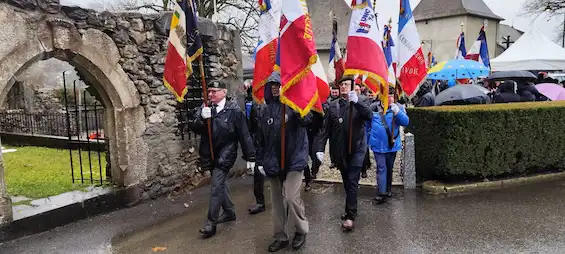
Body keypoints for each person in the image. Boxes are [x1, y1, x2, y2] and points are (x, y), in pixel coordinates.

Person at [189, 80, 256, 238]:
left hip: (226, 152)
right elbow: (194, 127)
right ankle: (229, 211)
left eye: (214, 91)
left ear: (224, 92)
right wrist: (201, 119)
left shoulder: (234, 111)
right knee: (220, 185)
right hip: (210, 152)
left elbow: (244, 135)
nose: (210, 94)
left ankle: (211, 223)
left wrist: (251, 156)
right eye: (209, 91)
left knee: (216, 185)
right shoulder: (205, 107)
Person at [255, 72, 309, 252]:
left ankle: (301, 230)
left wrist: (295, 111)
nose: (275, 88)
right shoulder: (265, 110)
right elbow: (261, 137)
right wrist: (260, 160)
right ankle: (280, 236)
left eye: (278, 85)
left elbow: (310, 120)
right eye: (272, 85)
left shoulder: (295, 105)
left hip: (295, 158)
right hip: (273, 161)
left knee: (292, 198)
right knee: (277, 203)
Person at [315, 76, 372, 231]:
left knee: (352, 180)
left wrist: (357, 102)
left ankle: (350, 216)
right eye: (342, 85)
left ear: (353, 86)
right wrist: (320, 148)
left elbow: (369, 116)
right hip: (341, 151)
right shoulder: (334, 106)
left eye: (347, 84)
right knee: (347, 180)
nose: (344, 87)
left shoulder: (362, 101)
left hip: (357, 149)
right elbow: (325, 129)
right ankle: (351, 207)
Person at [369, 87, 409, 204]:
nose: (389, 98)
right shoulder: (373, 107)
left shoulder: (399, 107)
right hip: (378, 144)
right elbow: (367, 124)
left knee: (389, 167)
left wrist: (398, 112)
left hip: (392, 145)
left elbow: (406, 122)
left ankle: (388, 188)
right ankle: (381, 192)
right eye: (387, 95)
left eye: (392, 96)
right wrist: (369, 139)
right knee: (381, 168)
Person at [247, 94, 266, 215]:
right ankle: (260, 201)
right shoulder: (256, 104)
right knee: (258, 173)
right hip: (260, 142)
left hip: (275, 143)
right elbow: (252, 125)